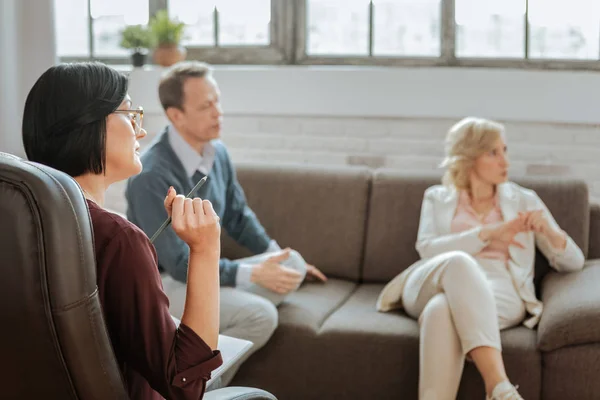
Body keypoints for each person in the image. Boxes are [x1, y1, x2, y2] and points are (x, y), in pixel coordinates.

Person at [22, 62, 223, 400]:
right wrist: (205, 249)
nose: (140, 131)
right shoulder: (119, 239)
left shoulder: (22, 219)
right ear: (89, 126)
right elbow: (183, 387)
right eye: (130, 115)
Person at [125, 61, 327, 386]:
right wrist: (250, 274)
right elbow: (177, 263)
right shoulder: (150, 175)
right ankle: (198, 388)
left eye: (217, 100)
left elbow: (237, 216)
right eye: (206, 106)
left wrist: (275, 256)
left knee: (294, 263)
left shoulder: (218, 154)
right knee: (261, 315)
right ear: (176, 115)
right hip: (168, 284)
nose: (218, 112)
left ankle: (211, 332)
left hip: (205, 273)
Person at [376, 117, 585, 400]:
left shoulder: (524, 200)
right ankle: (498, 386)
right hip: (433, 278)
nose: (505, 162)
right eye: (493, 153)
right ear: (470, 157)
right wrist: (489, 233)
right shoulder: (437, 197)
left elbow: (574, 263)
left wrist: (550, 230)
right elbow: (427, 250)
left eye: (505, 150)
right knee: (460, 262)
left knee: (441, 312)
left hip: (498, 288)